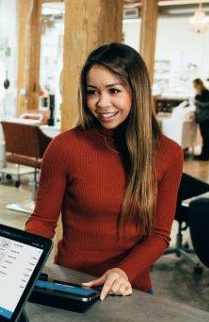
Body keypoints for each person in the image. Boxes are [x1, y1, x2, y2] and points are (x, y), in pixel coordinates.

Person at [25, 43, 183, 299]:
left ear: (137, 91)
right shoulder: (64, 147)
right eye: (92, 92)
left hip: (130, 289)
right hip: (71, 284)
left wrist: (122, 271)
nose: (101, 103)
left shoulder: (168, 154)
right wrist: (21, 258)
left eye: (114, 90)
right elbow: (42, 222)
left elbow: (159, 235)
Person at [192, 78, 209, 161]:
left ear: (198, 84)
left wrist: (197, 103)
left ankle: (207, 155)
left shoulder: (206, 92)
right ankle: (203, 154)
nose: (194, 87)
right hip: (202, 119)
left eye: (194, 85)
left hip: (207, 118)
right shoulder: (198, 94)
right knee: (204, 137)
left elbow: (208, 104)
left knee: (206, 137)